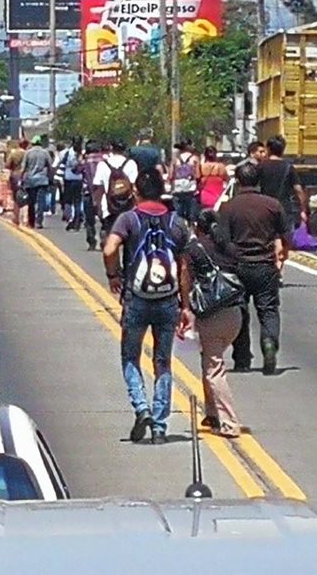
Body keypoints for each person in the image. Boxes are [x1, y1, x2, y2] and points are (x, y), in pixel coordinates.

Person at [103, 170, 192, 445]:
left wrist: (114, 276)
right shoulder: (177, 222)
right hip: (167, 300)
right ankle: (160, 426)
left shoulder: (128, 219)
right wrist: (185, 305)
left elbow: (109, 250)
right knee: (163, 361)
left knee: (130, 357)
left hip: (137, 299)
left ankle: (142, 408)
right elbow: (185, 267)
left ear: (136, 192)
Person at [218, 162, 292, 375]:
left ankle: (242, 358)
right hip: (265, 264)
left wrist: (231, 255)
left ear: (238, 181)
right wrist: (282, 255)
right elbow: (286, 235)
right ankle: (269, 343)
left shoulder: (229, 207)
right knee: (268, 309)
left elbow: (222, 239)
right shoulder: (273, 205)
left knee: (239, 311)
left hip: (238, 266)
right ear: (258, 181)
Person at [180, 209, 245, 438]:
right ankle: (212, 413)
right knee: (209, 360)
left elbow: (185, 277)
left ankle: (229, 422)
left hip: (211, 315)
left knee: (214, 368)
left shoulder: (195, 249)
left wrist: (186, 308)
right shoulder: (230, 248)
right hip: (234, 313)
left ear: (198, 226)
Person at [91, 141, 139, 239]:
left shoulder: (103, 164)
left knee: (111, 239)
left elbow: (98, 187)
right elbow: (135, 186)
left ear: (112, 148)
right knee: (129, 241)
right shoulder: (131, 163)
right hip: (128, 206)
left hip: (108, 207)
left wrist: (98, 206)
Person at [259, 135, 309, 230]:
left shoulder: (260, 166)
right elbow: (298, 190)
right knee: (286, 239)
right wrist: (303, 210)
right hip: (284, 209)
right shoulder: (288, 167)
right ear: (283, 150)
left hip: (264, 209)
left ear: (268, 149)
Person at [20, 139, 52, 229]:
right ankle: (39, 222)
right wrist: (50, 178)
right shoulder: (45, 153)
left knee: (31, 202)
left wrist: (21, 179)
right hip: (42, 180)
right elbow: (50, 166)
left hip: (30, 180)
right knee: (40, 202)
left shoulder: (28, 153)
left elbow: (23, 168)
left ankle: (31, 221)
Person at [80, 140, 105, 248]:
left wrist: (81, 158)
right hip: (102, 192)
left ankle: (91, 240)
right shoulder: (104, 160)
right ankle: (104, 238)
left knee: (89, 220)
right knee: (104, 218)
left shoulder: (85, 161)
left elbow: (75, 170)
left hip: (87, 193)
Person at [170, 139, 201, 223]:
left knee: (178, 213)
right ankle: (191, 230)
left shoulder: (175, 159)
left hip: (178, 188)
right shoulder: (195, 158)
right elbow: (198, 175)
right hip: (190, 189)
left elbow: (170, 175)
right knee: (191, 214)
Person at [61, 138, 84, 229]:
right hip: (79, 179)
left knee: (68, 200)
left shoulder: (68, 153)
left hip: (68, 178)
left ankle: (69, 219)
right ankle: (77, 221)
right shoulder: (82, 153)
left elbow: (62, 164)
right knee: (77, 201)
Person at [5, 141, 29, 226]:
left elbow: (7, 165)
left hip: (15, 175)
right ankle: (25, 218)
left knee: (16, 197)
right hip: (26, 176)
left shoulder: (14, 154)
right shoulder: (28, 153)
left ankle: (16, 217)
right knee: (26, 197)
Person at [198, 145, 229, 211]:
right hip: (218, 196)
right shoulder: (221, 167)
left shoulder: (201, 167)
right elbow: (227, 179)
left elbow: (197, 178)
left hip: (205, 197)